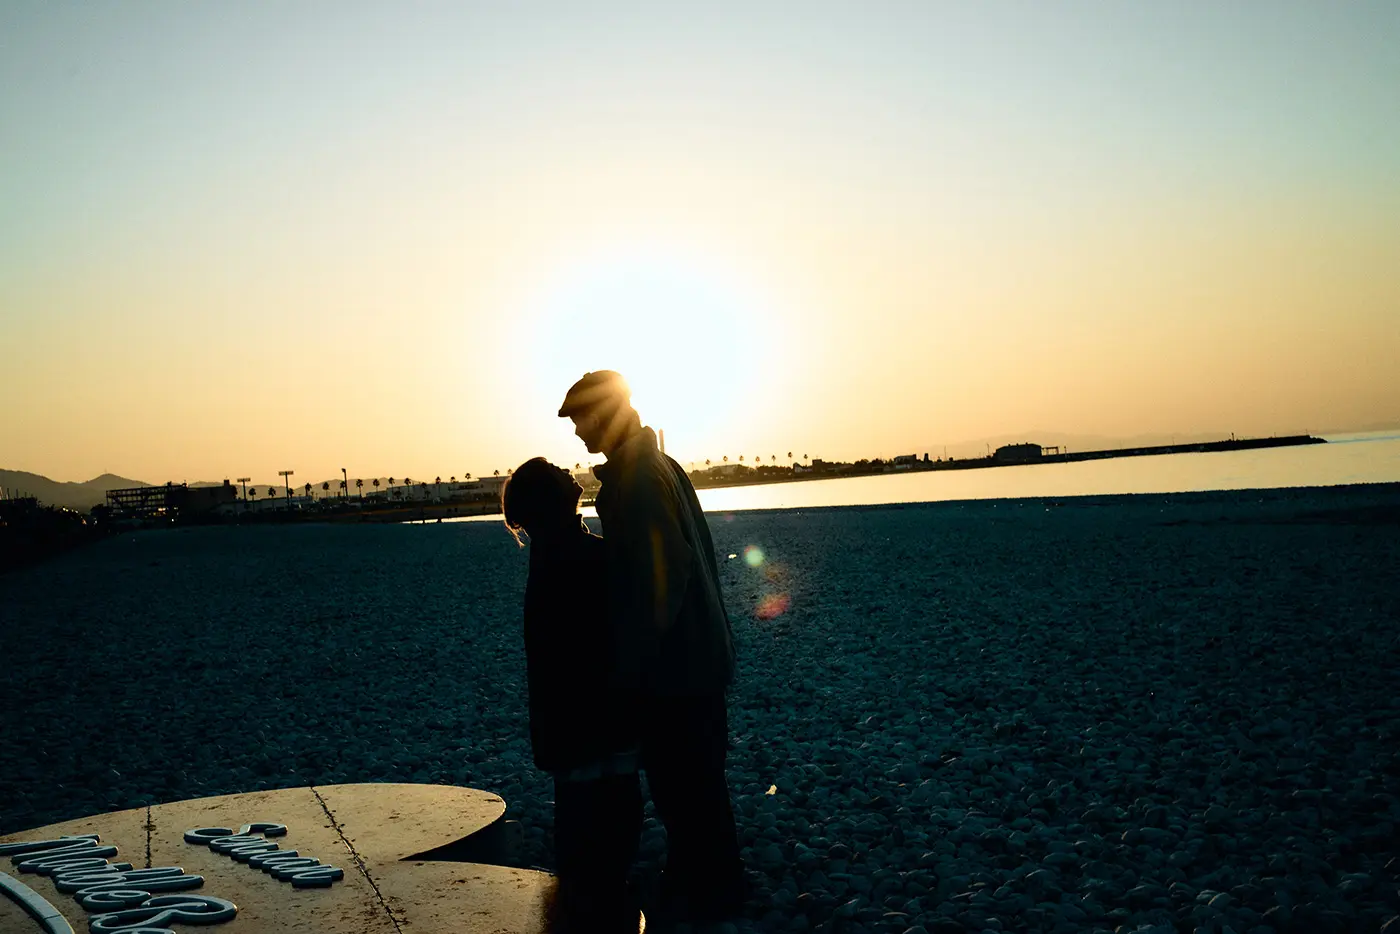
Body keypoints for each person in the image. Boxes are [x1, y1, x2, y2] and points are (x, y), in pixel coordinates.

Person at [558, 370, 748, 921]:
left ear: (603, 413)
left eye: (579, 420)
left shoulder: (637, 478)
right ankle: (706, 885)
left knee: (685, 788)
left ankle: (710, 895)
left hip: (677, 670)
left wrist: (632, 667)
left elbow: (661, 582)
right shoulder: (658, 465)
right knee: (698, 786)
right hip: (697, 658)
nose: (577, 432)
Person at [501, 457, 642, 933]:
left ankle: (589, 903)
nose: (568, 470)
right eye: (556, 470)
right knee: (607, 813)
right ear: (551, 498)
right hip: (592, 711)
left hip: (572, 716)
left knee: (586, 815)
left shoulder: (557, 550)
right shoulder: (574, 552)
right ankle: (600, 909)